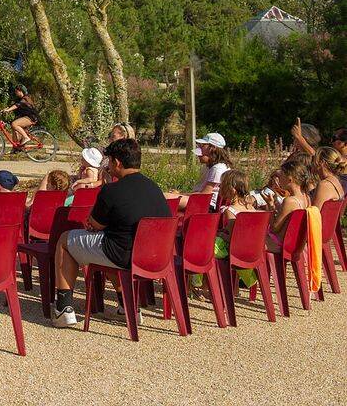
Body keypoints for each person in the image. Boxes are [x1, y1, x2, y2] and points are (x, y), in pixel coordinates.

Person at [51, 137, 169, 327]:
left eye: (109, 162)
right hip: (155, 256)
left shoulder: (111, 190)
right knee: (111, 243)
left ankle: (64, 309)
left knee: (65, 240)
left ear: (117, 162)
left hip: (123, 254)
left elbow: (94, 224)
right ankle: (127, 307)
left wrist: (93, 221)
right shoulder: (154, 187)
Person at [169, 132, 232, 212]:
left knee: (167, 198)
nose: (200, 147)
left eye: (203, 145)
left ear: (213, 147)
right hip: (202, 202)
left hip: (207, 205)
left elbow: (205, 195)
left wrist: (179, 194)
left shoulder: (218, 168)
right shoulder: (212, 166)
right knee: (164, 196)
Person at [262, 157, 312, 252]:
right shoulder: (306, 198)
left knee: (245, 240)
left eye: (281, 176)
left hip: (279, 243)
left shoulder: (290, 201)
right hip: (295, 243)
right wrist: (274, 204)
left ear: (290, 179)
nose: (279, 179)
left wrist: (270, 208)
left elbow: (274, 228)